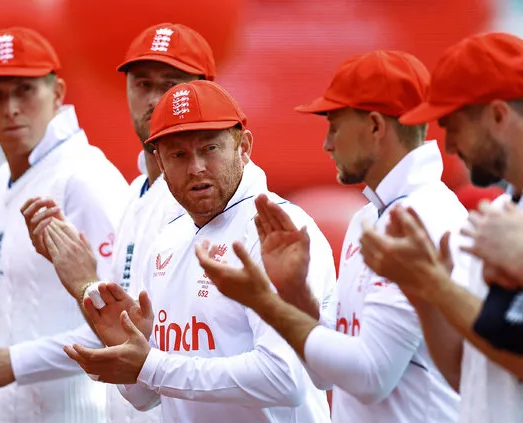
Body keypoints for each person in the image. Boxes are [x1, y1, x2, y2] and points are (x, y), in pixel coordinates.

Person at [195, 50, 467, 423]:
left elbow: (371, 377)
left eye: (335, 125)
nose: (327, 143)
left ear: (375, 126)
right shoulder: (371, 216)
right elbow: (327, 374)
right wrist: (294, 293)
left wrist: (264, 301)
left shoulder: (423, 217)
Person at [42, 80, 336, 423]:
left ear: (244, 147)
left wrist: (151, 364)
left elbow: (284, 378)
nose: (196, 167)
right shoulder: (168, 239)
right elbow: (149, 397)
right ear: (160, 164)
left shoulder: (276, 229)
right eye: (179, 154)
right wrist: (130, 351)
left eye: (210, 148)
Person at [9, 22, 216, 423]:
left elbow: (195, 338)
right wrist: (76, 271)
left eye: (171, 83)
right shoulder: (138, 188)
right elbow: (127, 325)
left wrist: (85, 282)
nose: (154, 99)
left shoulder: (207, 197)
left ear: (206, 90)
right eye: (142, 84)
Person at [0, 27, 129, 423]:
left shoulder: (85, 177)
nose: (11, 107)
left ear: (58, 93)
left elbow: (127, 324)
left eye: (25, 90)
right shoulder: (5, 178)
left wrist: (14, 362)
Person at [359, 32, 523, 423]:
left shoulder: (500, 226)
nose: (447, 145)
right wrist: (423, 291)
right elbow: (464, 373)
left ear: (499, 115)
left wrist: (437, 286)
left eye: (453, 125)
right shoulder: (499, 214)